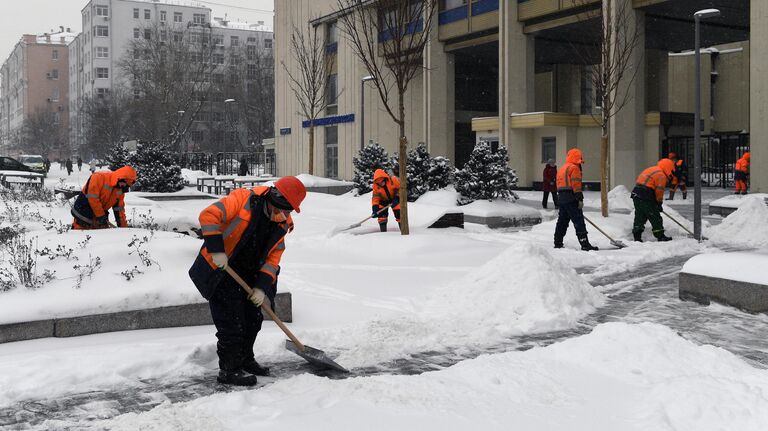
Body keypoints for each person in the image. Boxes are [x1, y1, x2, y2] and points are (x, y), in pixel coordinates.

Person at [188, 176, 306, 386]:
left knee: (253, 320)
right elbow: (209, 215)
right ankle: (229, 370)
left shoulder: (281, 224)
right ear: (274, 200)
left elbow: (273, 258)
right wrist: (216, 249)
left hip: (251, 276)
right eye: (283, 211)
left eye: (288, 212)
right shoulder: (242, 199)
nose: (284, 216)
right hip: (223, 270)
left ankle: (245, 359)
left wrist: (261, 288)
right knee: (231, 324)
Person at [554, 148, 598, 251]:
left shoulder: (563, 168)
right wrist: (579, 198)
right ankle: (585, 244)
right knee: (578, 221)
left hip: (561, 197)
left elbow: (559, 184)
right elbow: (576, 184)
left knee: (562, 221)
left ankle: (558, 242)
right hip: (571, 197)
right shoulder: (574, 168)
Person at [71, 166, 137, 229]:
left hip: (99, 216)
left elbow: (119, 209)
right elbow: (93, 199)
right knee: (82, 236)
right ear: (121, 178)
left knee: (100, 237)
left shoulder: (120, 190)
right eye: (125, 184)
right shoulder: (98, 177)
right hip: (83, 213)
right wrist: (101, 216)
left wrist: (123, 227)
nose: (124, 187)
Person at [630, 158, 675, 242]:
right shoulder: (661, 175)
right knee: (655, 216)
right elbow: (659, 191)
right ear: (668, 167)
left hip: (636, 193)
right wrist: (659, 203)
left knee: (640, 216)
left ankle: (637, 236)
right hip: (646, 194)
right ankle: (660, 235)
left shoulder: (652, 169)